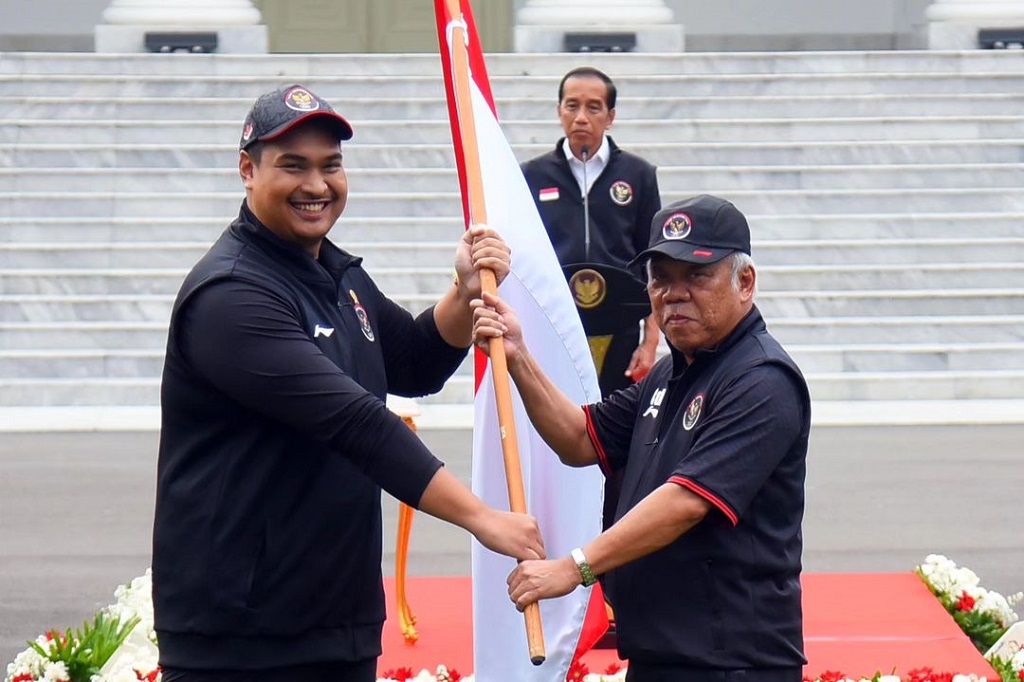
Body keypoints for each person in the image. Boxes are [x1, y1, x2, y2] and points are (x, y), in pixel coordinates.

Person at [152, 83, 545, 682]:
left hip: (336, 620)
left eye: (330, 165)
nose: (317, 185)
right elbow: (357, 424)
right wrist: (482, 517)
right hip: (239, 636)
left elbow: (413, 362)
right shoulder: (231, 296)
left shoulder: (337, 274)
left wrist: (464, 293)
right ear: (246, 171)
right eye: (293, 166)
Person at [472, 194, 811, 682]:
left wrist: (575, 567)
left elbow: (686, 503)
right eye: (660, 279)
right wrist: (518, 354)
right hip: (663, 654)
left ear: (745, 282)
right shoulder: (671, 372)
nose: (674, 294)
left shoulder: (762, 380)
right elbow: (578, 439)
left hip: (733, 661)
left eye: (696, 276)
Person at [520, 65, 662, 397]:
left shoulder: (638, 175)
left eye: (593, 107)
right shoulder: (532, 176)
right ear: (559, 112)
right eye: (572, 106)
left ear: (610, 116)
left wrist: (651, 341)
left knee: (614, 431)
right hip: (555, 328)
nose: (581, 117)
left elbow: (655, 261)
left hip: (621, 329)